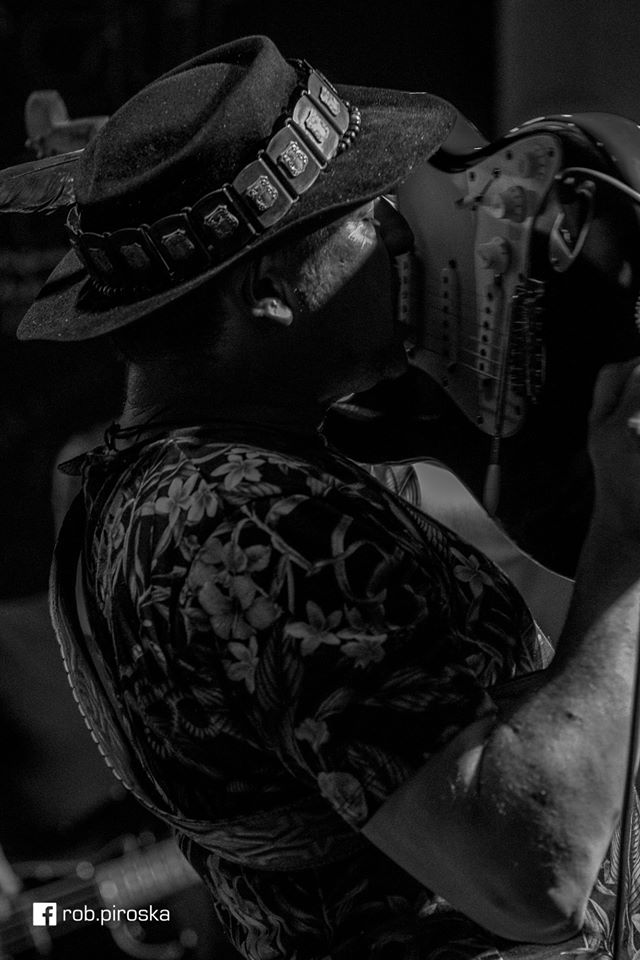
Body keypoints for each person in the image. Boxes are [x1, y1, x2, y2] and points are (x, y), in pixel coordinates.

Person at [14, 34, 640, 960]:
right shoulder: (255, 526)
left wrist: (138, 178)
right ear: (269, 290)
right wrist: (630, 532)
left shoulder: (156, 492)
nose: (400, 231)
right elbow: (532, 873)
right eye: (364, 212)